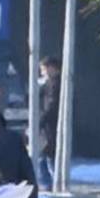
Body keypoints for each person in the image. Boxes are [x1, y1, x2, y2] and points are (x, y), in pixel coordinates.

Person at [36, 57, 62, 186]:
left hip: (52, 125)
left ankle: (49, 184)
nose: (42, 72)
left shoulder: (56, 84)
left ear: (53, 68)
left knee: (46, 156)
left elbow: (52, 105)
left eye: (44, 69)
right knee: (44, 155)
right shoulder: (48, 84)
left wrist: (40, 120)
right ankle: (49, 183)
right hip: (48, 125)